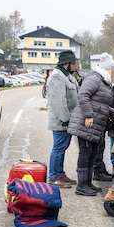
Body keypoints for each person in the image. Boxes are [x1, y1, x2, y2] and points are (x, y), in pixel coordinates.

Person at [67, 52, 114, 196]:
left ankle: (88, 183)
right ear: (108, 69)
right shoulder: (94, 79)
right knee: (85, 153)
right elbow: (83, 95)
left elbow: (101, 104)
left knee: (92, 153)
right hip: (87, 123)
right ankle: (82, 185)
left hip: (96, 125)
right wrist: (89, 115)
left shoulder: (104, 81)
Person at [46, 50, 79, 188]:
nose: (77, 65)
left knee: (63, 147)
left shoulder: (67, 76)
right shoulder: (57, 77)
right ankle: (53, 177)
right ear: (67, 63)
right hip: (61, 121)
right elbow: (59, 102)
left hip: (68, 119)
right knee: (58, 148)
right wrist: (65, 120)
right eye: (75, 62)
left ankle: (60, 174)